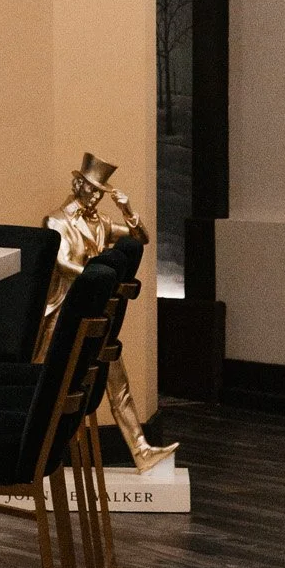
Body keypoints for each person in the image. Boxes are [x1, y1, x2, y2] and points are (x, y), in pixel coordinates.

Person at [40, 153, 177, 474]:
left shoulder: (101, 222)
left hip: (96, 314)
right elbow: (62, 263)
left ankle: (141, 450)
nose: (95, 196)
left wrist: (127, 210)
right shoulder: (55, 221)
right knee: (41, 380)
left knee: (118, 383)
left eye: (100, 192)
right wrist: (99, 279)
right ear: (77, 184)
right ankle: (33, 452)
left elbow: (140, 238)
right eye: (91, 189)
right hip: (63, 314)